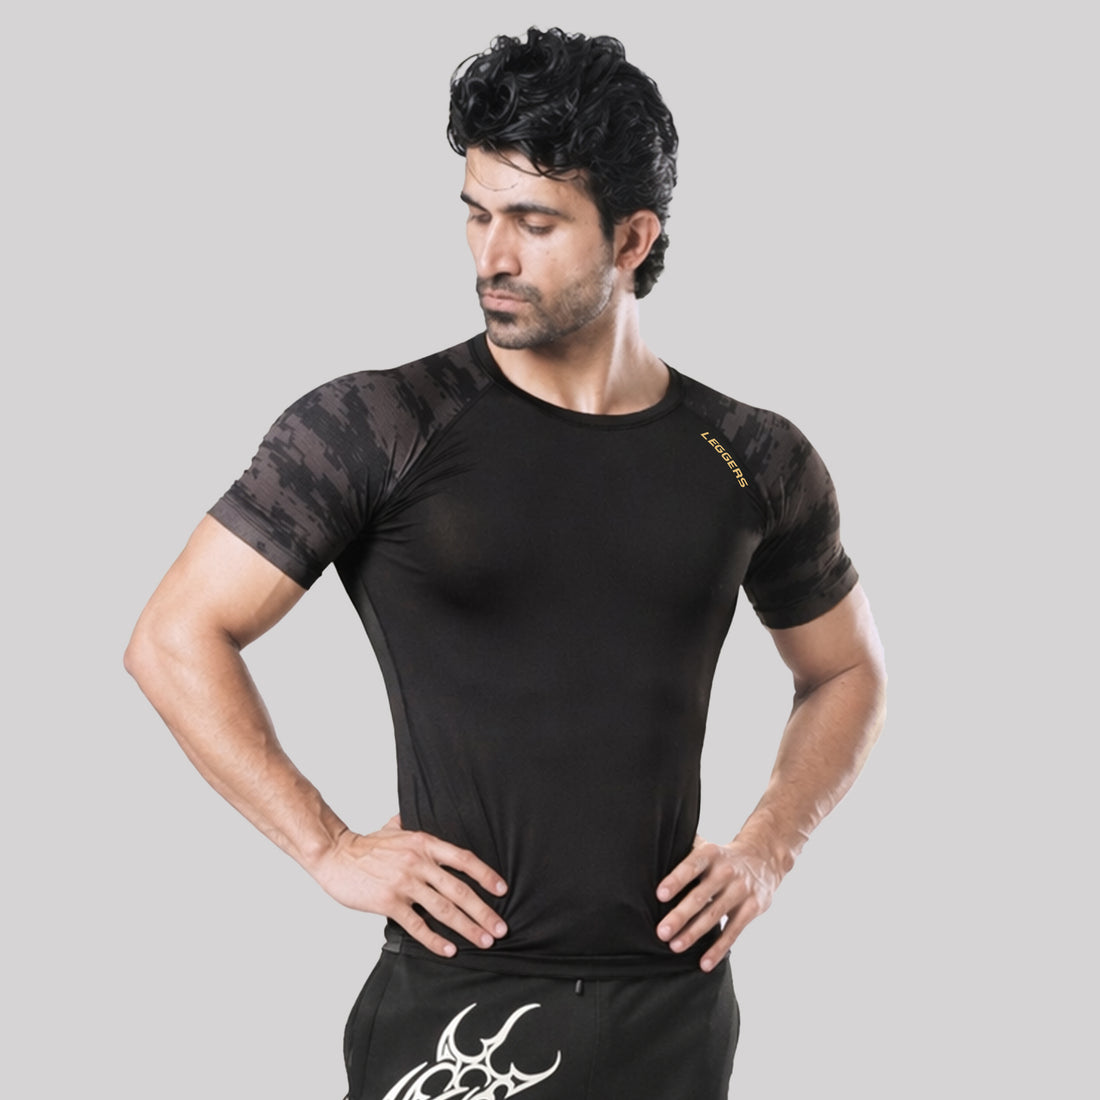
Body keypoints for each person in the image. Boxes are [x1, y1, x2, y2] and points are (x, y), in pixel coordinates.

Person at [125, 27, 886, 1100]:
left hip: (673, 1007)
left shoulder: (752, 457)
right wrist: (327, 844)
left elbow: (845, 670)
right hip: (458, 997)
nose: (492, 255)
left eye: (534, 222)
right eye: (477, 214)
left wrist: (769, 845)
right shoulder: (379, 425)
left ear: (631, 238)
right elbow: (174, 636)